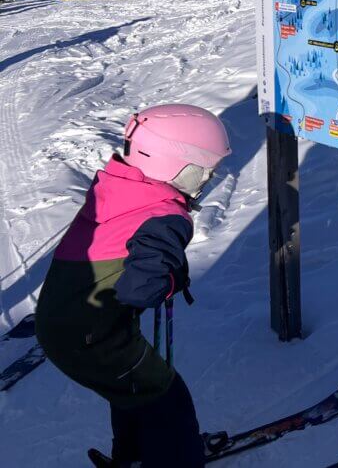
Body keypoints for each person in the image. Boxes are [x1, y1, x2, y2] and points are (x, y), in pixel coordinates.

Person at [36, 104, 231, 467]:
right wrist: (171, 278)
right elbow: (142, 290)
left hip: (66, 318)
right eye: (205, 172)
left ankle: (135, 455)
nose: (207, 181)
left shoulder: (120, 183)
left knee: (132, 389)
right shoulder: (164, 216)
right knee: (166, 397)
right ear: (181, 167)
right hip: (91, 335)